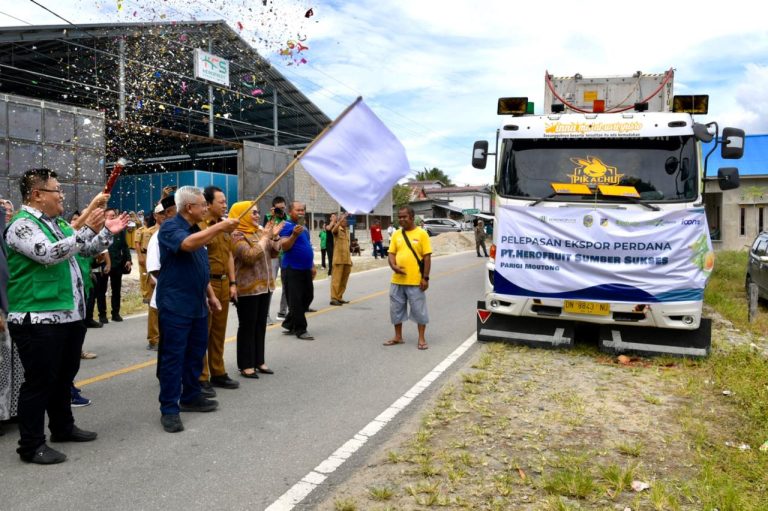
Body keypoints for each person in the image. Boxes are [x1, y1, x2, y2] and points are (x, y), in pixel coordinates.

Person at [5, 168, 128, 464]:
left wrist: (106, 234)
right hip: (38, 317)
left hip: (67, 316)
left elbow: (82, 250)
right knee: (39, 382)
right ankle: (31, 445)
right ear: (37, 195)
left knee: (63, 377)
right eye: (56, 190)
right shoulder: (21, 226)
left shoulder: (56, 222)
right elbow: (48, 253)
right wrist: (87, 228)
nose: (61, 195)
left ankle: (62, 427)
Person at [155, 186, 238, 433]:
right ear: (189, 208)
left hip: (197, 304)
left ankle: (191, 396)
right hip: (175, 306)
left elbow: (199, 267)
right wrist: (219, 227)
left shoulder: (196, 229)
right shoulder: (171, 227)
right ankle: (169, 408)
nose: (205, 208)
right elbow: (188, 246)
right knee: (173, 358)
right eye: (202, 204)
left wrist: (210, 295)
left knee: (194, 355)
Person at [229, 202, 281, 377]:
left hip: (265, 286)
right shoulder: (237, 235)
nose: (257, 216)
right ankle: (245, 364)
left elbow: (275, 253)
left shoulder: (259, 231)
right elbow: (249, 257)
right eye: (253, 213)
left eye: (258, 212)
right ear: (241, 214)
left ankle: (259, 361)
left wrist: (273, 237)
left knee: (260, 325)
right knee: (247, 326)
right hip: (247, 288)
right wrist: (265, 238)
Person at [198, 186, 240, 398]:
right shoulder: (200, 227)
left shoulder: (224, 227)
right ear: (208, 204)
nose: (225, 204)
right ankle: (202, 377)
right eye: (221, 201)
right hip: (208, 285)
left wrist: (233, 283)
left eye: (225, 201)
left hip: (224, 284)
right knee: (203, 333)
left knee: (219, 332)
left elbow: (230, 256)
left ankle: (218, 371)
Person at [383, 206, 432, 351]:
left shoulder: (422, 234)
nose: (401, 219)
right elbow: (391, 253)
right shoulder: (397, 234)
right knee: (396, 310)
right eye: (400, 217)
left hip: (415, 282)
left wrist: (426, 278)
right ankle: (398, 336)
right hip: (397, 280)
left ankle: (421, 338)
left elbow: (427, 257)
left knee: (419, 311)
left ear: (412, 217)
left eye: (404, 217)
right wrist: (393, 266)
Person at [279, 201, 317, 340]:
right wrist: (293, 235)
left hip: (305, 268)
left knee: (308, 296)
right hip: (291, 269)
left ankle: (290, 322)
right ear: (290, 212)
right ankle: (300, 329)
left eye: (303, 210)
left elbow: (307, 246)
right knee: (295, 300)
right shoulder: (286, 226)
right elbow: (284, 247)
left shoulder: (304, 227)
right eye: (298, 210)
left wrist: (312, 264)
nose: (301, 212)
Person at [145, 196, 177, 352]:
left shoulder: (183, 232)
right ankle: (154, 339)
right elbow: (153, 266)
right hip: (165, 285)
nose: (165, 216)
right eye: (162, 213)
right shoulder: (156, 236)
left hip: (176, 291)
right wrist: (168, 282)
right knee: (156, 308)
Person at [103, 208, 132, 322]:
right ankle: (102, 315)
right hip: (104, 264)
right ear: (104, 217)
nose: (112, 217)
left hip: (117, 264)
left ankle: (115, 313)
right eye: (109, 216)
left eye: (114, 215)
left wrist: (128, 259)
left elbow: (125, 246)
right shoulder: (101, 230)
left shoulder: (119, 230)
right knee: (102, 291)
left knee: (116, 290)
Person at [265, 196, 288, 321]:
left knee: (286, 284)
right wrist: (273, 216)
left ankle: (282, 312)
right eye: (279, 209)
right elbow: (265, 234)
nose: (282, 211)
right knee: (271, 284)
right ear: (274, 208)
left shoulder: (288, 219)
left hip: (285, 255)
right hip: (273, 255)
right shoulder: (268, 218)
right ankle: (266, 315)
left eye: (283, 208)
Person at [330, 212, 352, 306]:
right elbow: (333, 230)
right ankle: (334, 298)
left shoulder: (346, 231)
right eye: (344, 220)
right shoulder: (337, 229)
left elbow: (347, 246)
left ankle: (339, 297)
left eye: (345, 220)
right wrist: (338, 221)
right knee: (336, 280)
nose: (345, 221)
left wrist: (350, 260)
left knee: (344, 280)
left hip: (346, 260)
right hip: (338, 259)